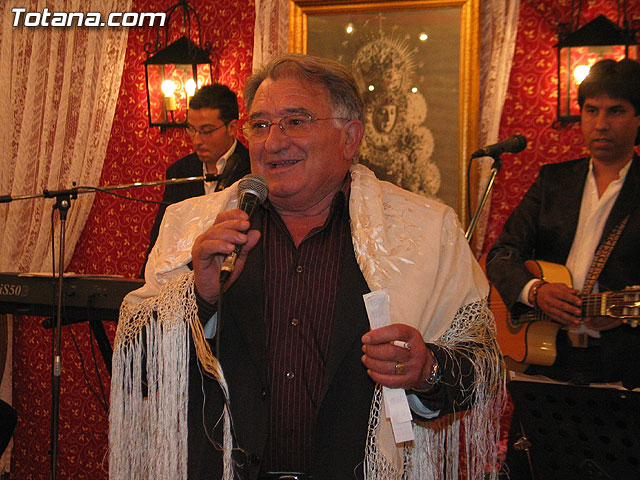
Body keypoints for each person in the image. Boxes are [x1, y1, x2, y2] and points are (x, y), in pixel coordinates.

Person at [110, 53, 503, 480]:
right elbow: (136, 369)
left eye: (295, 122)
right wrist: (200, 296)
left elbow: (482, 365)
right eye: (260, 125)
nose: (272, 142)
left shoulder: (425, 230)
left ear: (350, 137)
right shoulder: (191, 228)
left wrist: (427, 370)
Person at [486, 58, 640, 389]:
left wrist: (619, 317)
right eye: (591, 110)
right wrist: (535, 291)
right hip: (544, 361)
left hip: (624, 368)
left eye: (615, 111)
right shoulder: (553, 181)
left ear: (638, 118)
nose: (601, 124)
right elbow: (502, 254)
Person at [142, 83, 251, 273]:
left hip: (234, 274)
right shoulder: (180, 171)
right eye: (192, 129)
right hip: (181, 277)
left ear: (232, 127)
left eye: (207, 131)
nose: (197, 140)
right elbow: (161, 237)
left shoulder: (252, 169)